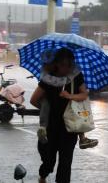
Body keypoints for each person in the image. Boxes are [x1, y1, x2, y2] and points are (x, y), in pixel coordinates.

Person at [30, 48, 94, 183]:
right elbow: (33, 100)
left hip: (70, 126)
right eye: (65, 64)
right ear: (57, 64)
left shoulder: (76, 76)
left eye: (71, 64)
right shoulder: (48, 78)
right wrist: (46, 110)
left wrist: (69, 95)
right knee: (48, 159)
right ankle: (43, 175)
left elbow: (84, 94)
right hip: (51, 127)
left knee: (65, 162)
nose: (68, 68)